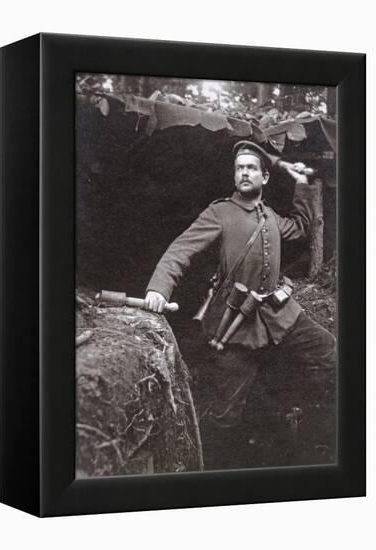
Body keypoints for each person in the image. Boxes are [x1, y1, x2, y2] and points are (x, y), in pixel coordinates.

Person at [144, 140, 336, 450]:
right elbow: (181, 249)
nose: (244, 173)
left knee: (326, 349)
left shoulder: (270, 215)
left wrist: (302, 186)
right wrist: (158, 288)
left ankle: (310, 431)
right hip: (234, 324)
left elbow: (300, 229)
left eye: (251, 168)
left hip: (278, 314)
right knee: (225, 414)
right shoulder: (220, 212)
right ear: (235, 176)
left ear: (265, 177)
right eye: (239, 169)